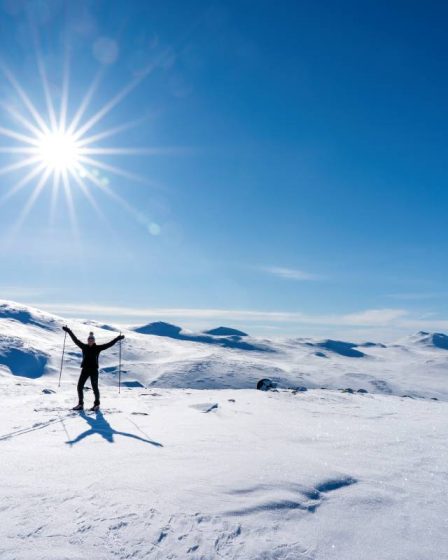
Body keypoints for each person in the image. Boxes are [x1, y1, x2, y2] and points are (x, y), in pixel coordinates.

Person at [62, 326, 124, 411]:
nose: (90, 341)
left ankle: (96, 405)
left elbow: (109, 344)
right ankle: (80, 404)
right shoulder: (84, 347)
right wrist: (68, 331)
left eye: (92, 340)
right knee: (79, 386)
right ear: (87, 340)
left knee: (95, 388)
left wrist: (117, 338)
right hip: (85, 370)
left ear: (94, 341)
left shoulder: (97, 348)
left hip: (94, 370)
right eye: (89, 340)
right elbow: (75, 340)